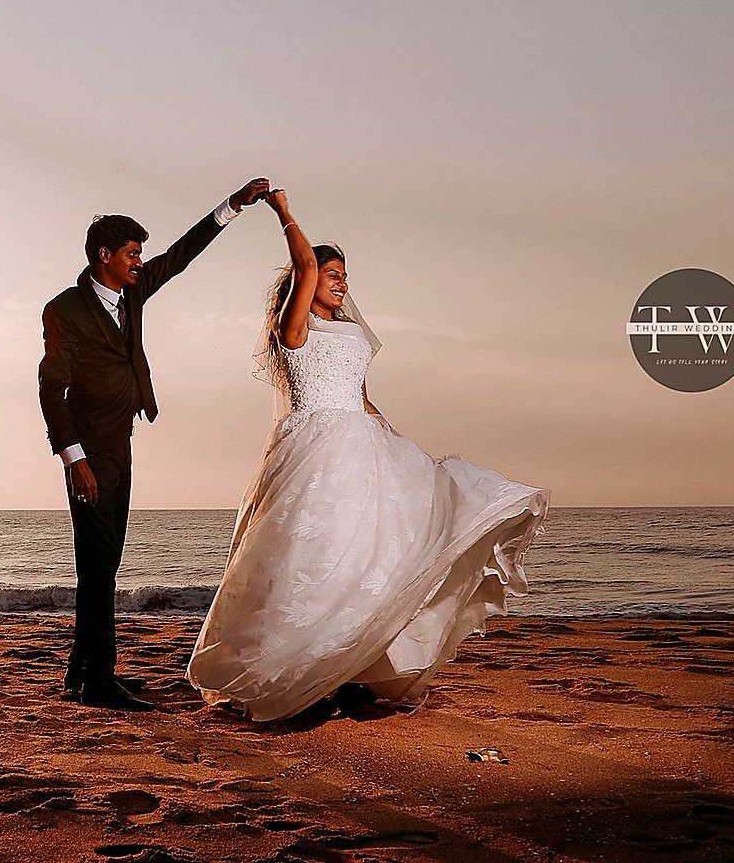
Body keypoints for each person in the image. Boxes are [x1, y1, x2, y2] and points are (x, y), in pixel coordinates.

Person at [186, 188, 549, 721]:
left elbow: (358, 393)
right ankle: (299, 676)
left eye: (344, 275)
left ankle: (356, 670)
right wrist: (283, 212)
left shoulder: (352, 332)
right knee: (316, 560)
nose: (340, 282)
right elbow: (305, 264)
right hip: (315, 451)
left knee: (370, 560)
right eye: (330, 274)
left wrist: (393, 436)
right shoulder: (295, 329)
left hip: (364, 445)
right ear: (303, 282)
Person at [39, 177, 272, 711]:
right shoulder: (65, 310)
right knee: (97, 564)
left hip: (120, 441)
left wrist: (232, 206)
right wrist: (75, 460)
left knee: (105, 562)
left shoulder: (133, 291)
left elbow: (182, 256)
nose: (141, 261)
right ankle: (98, 681)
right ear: (105, 256)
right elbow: (52, 389)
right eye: (132, 253)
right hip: (89, 451)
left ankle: (84, 672)